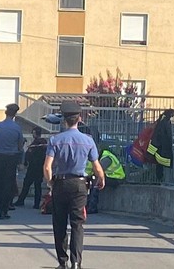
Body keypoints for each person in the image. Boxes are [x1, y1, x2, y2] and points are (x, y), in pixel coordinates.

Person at [44, 101, 105, 269]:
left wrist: (50, 183)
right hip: (79, 185)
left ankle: (62, 262)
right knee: (77, 224)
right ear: (80, 118)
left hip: (60, 183)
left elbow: (47, 167)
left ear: (64, 120)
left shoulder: (55, 140)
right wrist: (101, 179)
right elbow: (97, 166)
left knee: (60, 224)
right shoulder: (88, 140)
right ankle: (76, 263)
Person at [0, 103, 24, 220]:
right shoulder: (17, 128)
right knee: (8, 185)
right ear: (15, 114)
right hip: (11, 158)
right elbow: (20, 146)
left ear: (5, 113)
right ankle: (4, 211)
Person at [14, 127, 47, 209]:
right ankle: (36, 203)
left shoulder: (36, 143)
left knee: (27, 184)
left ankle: (21, 200)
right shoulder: (43, 143)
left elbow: (29, 154)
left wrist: (25, 162)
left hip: (33, 167)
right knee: (37, 185)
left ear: (35, 133)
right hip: (40, 167)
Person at [85, 148, 126, 214]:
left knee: (96, 181)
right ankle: (87, 205)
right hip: (109, 177)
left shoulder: (106, 158)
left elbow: (99, 172)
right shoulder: (98, 158)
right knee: (92, 180)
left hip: (116, 179)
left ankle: (92, 207)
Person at [147, 109, 174, 183]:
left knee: (159, 164)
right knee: (160, 164)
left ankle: (160, 178)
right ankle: (160, 179)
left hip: (159, 146)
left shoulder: (162, 120)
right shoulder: (164, 121)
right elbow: (164, 134)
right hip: (161, 146)